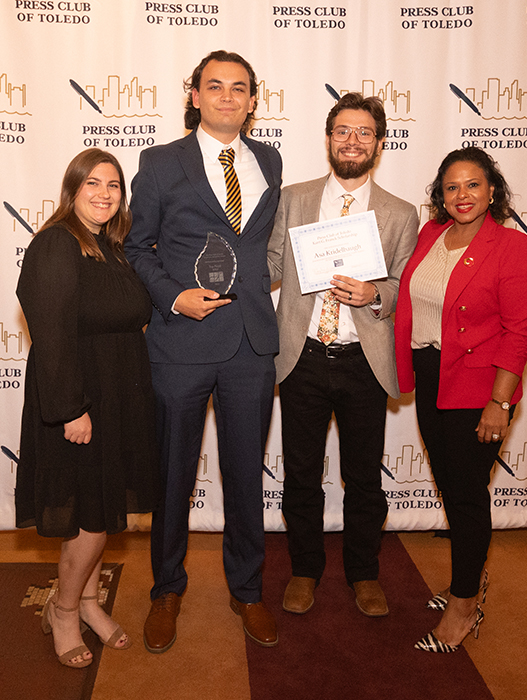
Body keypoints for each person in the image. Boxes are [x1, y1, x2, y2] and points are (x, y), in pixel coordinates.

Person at [124, 50, 282, 651]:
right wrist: (172, 299)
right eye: (214, 87)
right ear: (194, 95)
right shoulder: (161, 163)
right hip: (181, 342)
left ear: (251, 99)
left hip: (249, 343)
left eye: (238, 88)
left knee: (246, 477)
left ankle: (247, 591)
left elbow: (258, 246)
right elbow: (138, 248)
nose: (226, 97)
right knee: (173, 478)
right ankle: (166, 589)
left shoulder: (268, 158)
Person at [267, 93, 419, 616]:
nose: (352, 141)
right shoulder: (293, 198)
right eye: (342, 131)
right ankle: (305, 569)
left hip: (362, 362)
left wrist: (375, 295)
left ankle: (364, 572)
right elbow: (266, 265)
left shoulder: (401, 212)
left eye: (363, 133)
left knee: (363, 477)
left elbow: (405, 284)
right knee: (301, 474)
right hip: (302, 356)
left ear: (379, 142)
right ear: (329, 138)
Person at [16, 148, 159, 668]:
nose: (104, 194)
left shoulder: (111, 246)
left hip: (118, 395)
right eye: (92, 184)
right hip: (79, 399)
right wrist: (72, 408)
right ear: (72, 189)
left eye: (114, 186)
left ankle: (91, 601)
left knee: (103, 511)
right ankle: (64, 609)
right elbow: (51, 336)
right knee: (87, 520)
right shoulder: (56, 244)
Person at [394, 146, 527, 652]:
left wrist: (499, 403)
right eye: (452, 187)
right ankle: (467, 580)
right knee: (453, 488)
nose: (462, 195)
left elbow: (519, 332)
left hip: (479, 386)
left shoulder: (512, 247)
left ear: (492, 190)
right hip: (432, 376)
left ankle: (463, 608)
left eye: (473, 185)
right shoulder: (431, 234)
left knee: (467, 496)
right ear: (441, 195)